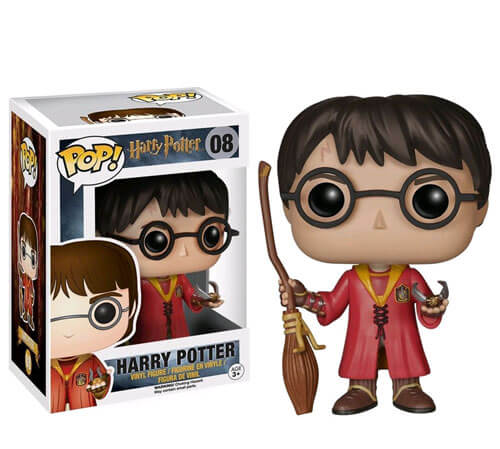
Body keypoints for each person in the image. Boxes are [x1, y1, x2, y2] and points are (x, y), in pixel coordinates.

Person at [277, 95, 491, 414]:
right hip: (361, 343)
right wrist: (303, 297)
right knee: (360, 364)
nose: (379, 222)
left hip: (401, 342)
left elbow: (426, 308)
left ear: (480, 207)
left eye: (429, 200)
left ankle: (407, 386)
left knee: (405, 360)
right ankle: (361, 388)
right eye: (329, 199)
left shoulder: (410, 278)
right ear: (288, 207)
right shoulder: (352, 280)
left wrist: (432, 308)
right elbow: (330, 306)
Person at [96, 171, 238, 344]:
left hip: (179, 336)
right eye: (156, 240)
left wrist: (203, 300)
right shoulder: (134, 283)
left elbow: (191, 296)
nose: (183, 252)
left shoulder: (178, 279)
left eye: (210, 235)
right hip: (144, 342)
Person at [50, 240, 139, 412]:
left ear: (132, 308)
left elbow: (102, 386)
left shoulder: (91, 362)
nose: (68, 331)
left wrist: (100, 386)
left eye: (104, 312)